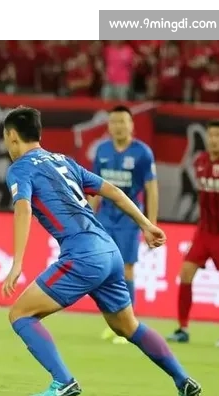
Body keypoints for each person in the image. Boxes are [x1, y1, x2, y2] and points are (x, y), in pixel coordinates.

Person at [1, 106, 201, 396]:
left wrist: (17, 262)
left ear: (12, 137)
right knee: (127, 326)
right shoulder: (65, 161)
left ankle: (63, 381)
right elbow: (115, 192)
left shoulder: (20, 169)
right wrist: (146, 224)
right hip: (109, 250)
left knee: (20, 314)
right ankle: (183, 379)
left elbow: (23, 209)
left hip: (82, 255)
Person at [89, 105, 159, 344]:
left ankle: (130, 327)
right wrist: (88, 217)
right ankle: (114, 323)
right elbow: (95, 187)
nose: (118, 126)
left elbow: (151, 188)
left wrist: (150, 223)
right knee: (105, 270)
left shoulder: (142, 153)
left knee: (126, 269)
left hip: (129, 219)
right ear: (108, 126)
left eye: (123, 121)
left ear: (131, 125)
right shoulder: (102, 151)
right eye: (114, 122)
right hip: (105, 218)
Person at [167, 120, 219, 346]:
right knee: (185, 273)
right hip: (204, 232)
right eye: (211, 135)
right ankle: (182, 328)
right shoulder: (200, 161)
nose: (214, 140)